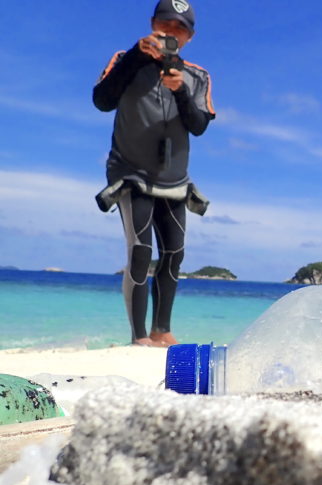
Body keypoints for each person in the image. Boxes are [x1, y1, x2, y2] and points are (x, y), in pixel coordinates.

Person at [92, 0, 215, 346]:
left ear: (189, 37)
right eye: (165, 24)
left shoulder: (198, 76)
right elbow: (102, 100)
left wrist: (181, 92)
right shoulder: (125, 59)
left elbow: (199, 125)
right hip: (130, 172)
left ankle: (163, 329)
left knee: (175, 253)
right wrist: (136, 54)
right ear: (152, 23)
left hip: (175, 180)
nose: (171, 32)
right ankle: (138, 336)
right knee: (141, 250)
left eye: (180, 28)